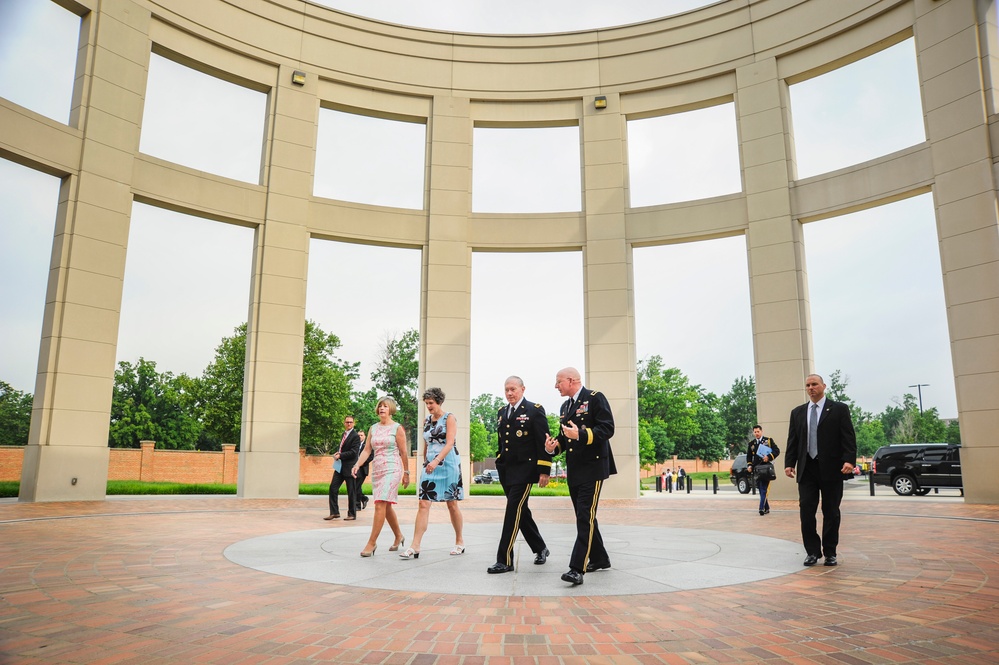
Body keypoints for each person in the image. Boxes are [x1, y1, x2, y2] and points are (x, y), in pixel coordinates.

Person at [544, 367, 616, 586]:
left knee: (584, 516)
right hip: (575, 469)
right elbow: (565, 439)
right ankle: (600, 558)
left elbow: (608, 428)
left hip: (593, 468)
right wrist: (552, 448)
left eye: (558, 382)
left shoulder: (595, 398)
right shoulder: (565, 406)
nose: (556, 386)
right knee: (585, 515)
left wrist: (581, 434)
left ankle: (577, 568)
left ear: (571, 380)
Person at [784, 374, 856, 567]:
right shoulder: (797, 412)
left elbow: (848, 437)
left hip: (832, 469)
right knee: (806, 511)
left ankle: (830, 552)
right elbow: (793, 440)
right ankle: (812, 552)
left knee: (831, 511)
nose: (811, 388)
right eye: (807, 385)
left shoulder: (839, 409)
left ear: (823, 386)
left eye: (814, 384)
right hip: (807, 469)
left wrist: (849, 460)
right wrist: (789, 463)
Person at [487, 376, 553, 574]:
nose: (509, 393)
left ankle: (505, 559)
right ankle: (541, 548)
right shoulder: (501, 412)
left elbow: (544, 440)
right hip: (507, 469)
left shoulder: (534, 410)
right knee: (521, 511)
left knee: (512, 511)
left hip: (526, 470)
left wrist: (545, 469)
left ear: (523, 389)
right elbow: (502, 441)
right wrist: (499, 458)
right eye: (506, 389)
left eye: (513, 389)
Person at [399, 387, 465, 560]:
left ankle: (459, 541)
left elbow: (450, 443)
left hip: (448, 463)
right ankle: (415, 546)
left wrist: (436, 461)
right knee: (423, 503)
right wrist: (425, 461)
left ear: (439, 402)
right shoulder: (427, 421)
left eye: (431, 403)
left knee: (451, 504)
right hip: (430, 466)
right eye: (426, 403)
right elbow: (426, 443)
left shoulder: (449, 418)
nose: (429, 406)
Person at [352, 396, 409, 557]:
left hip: (393, 468)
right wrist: (357, 464)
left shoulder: (397, 428)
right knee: (386, 505)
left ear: (390, 409)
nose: (382, 408)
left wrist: (406, 473)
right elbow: (367, 450)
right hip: (378, 469)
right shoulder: (373, 428)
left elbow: (404, 452)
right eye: (380, 406)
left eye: (385, 406)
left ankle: (372, 543)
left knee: (380, 504)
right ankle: (398, 535)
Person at [325, 415, 360, 521]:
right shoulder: (343, 434)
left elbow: (354, 452)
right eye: (347, 422)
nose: (349, 424)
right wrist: (338, 453)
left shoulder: (355, 436)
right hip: (339, 467)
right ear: (344, 423)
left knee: (351, 492)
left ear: (353, 423)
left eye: (350, 422)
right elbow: (342, 448)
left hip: (349, 467)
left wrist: (341, 455)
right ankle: (334, 512)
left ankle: (352, 514)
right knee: (333, 488)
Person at [747, 425, 780, 515]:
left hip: (766, 469)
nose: (757, 433)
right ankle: (767, 508)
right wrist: (749, 466)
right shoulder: (751, 444)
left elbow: (777, 451)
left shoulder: (768, 440)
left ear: (761, 431)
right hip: (757, 469)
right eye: (755, 432)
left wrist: (769, 457)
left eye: (758, 431)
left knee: (764, 489)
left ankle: (761, 508)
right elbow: (749, 456)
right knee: (761, 489)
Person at [354, 430, 369, 511]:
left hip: (362, 469)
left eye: (361, 435)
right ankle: (363, 498)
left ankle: (357, 506)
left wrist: (362, 462)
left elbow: (371, 456)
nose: (360, 436)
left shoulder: (367, 445)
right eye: (358, 435)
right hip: (355, 468)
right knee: (356, 486)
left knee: (356, 487)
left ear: (365, 436)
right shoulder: (355, 445)